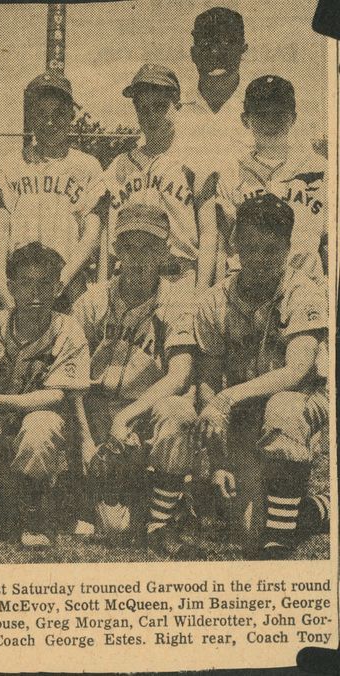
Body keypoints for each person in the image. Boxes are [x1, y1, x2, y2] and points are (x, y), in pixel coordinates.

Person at [193, 194, 328, 559]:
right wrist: (219, 458)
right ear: (235, 245)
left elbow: (297, 371)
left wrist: (227, 398)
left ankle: (278, 545)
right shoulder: (214, 301)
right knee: (248, 530)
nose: (259, 260)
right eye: (250, 247)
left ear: (287, 248)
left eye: (271, 250)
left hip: (301, 406)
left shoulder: (303, 291)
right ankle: (318, 508)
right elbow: (207, 380)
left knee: (282, 409)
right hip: (245, 414)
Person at [72, 203, 198, 558]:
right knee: (114, 530)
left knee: (178, 410)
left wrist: (127, 417)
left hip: (144, 413)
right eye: (130, 247)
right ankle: (108, 492)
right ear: (116, 250)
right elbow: (70, 376)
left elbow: (179, 374)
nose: (139, 258)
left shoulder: (176, 300)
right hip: (96, 412)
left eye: (149, 247)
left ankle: (161, 518)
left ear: (165, 251)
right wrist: (84, 438)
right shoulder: (93, 301)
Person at [0, 242, 91, 548]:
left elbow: (57, 396)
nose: (35, 293)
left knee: (41, 423)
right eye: (26, 283)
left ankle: (34, 513)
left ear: (59, 286)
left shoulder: (68, 328)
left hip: (41, 426)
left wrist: (2, 401)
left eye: (45, 283)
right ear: (11, 287)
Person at [0, 71, 105, 310]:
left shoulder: (88, 166)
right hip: (19, 286)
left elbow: (93, 232)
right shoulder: (8, 165)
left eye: (59, 113)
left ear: (72, 115)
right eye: (41, 114)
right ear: (30, 117)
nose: (50, 122)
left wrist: (63, 279)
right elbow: (0, 227)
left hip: (69, 287)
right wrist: (0, 283)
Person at [105, 64, 218, 291]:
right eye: (143, 109)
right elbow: (108, 237)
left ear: (176, 105)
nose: (152, 115)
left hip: (177, 275)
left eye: (160, 106)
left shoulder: (195, 160)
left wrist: (202, 290)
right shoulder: (120, 165)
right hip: (129, 279)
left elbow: (209, 233)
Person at [206, 76, 327, 283]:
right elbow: (221, 247)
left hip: (304, 288)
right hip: (245, 289)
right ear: (246, 120)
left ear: (293, 118)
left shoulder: (319, 168)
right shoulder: (231, 172)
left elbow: (329, 242)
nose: (271, 123)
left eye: (279, 114)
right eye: (262, 115)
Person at [176, 6, 250, 173]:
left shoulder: (266, 110)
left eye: (227, 43)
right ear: (193, 54)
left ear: (243, 50)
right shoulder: (173, 113)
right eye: (206, 44)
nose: (215, 52)